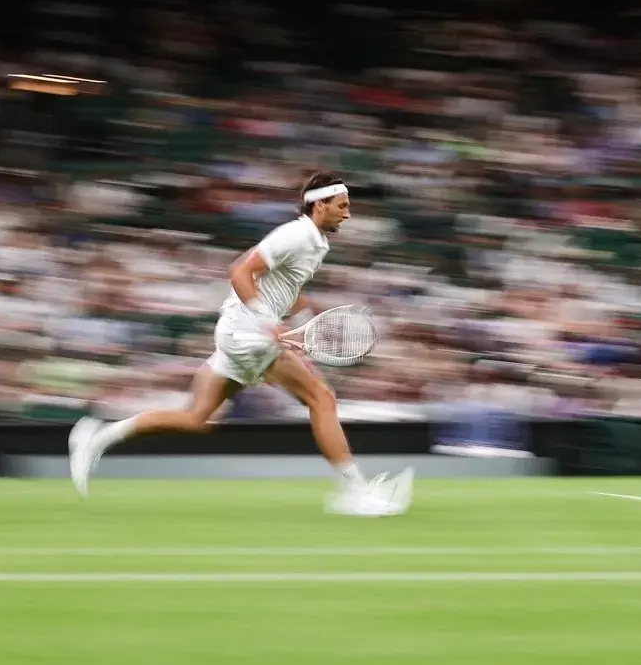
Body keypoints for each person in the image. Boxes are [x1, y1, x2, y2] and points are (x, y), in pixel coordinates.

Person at [67, 171, 412, 516]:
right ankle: (355, 493)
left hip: (238, 333)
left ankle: (98, 437)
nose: (348, 213)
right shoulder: (295, 235)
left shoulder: (314, 241)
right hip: (248, 335)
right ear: (320, 205)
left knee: (196, 418)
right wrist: (267, 322)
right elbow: (239, 271)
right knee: (321, 398)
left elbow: (283, 288)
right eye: (342, 205)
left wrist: (303, 320)